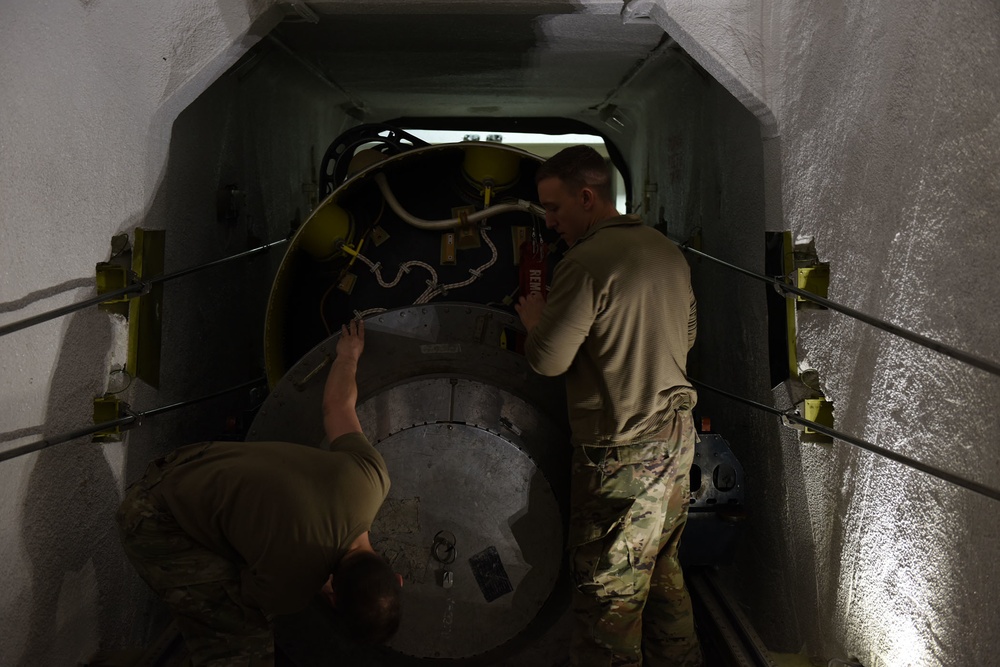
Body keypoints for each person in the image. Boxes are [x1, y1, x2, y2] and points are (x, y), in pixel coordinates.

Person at [115, 320, 401, 666]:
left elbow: (337, 407)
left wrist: (349, 355)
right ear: (334, 601)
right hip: (151, 524)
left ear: (396, 576)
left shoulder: (372, 479)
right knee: (243, 648)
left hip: (182, 466)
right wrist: (311, 581)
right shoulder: (289, 589)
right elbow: (243, 589)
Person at [515, 146, 701, 667]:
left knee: (607, 602)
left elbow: (549, 361)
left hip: (622, 452)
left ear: (588, 198)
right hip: (675, 441)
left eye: (555, 209)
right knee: (664, 579)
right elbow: (688, 334)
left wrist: (535, 319)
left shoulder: (584, 263)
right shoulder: (667, 252)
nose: (550, 223)